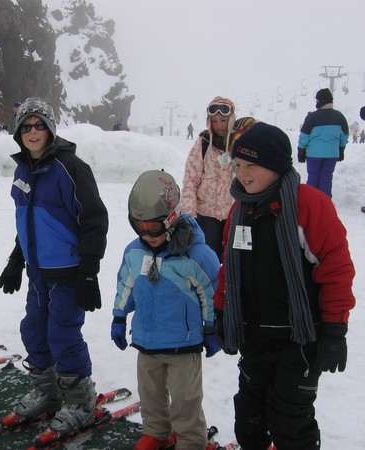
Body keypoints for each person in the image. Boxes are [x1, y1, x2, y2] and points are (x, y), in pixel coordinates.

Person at [215, 122, 356, 450]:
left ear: (277, 165)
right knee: (249, 420)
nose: (243, 174)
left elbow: (336, 269)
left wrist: (335, 329)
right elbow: (228, 268)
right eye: (238, 165)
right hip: (255, 336)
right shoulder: (240, 210)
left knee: (289, 421)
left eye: (252, 165)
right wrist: (222, 310)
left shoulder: (309, 205)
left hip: (300, 339)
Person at [0, 97, 109, 443]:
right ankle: (48, 393)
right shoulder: (23, 170)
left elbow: (94, 221)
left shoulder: (70, 168)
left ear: (50, 129)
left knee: (63, 334)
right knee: (34, 329)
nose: (33, 132)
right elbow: (28, 221)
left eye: (39, 125)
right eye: (26, 126)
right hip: (38, 272)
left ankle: (80, 401)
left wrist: (89, 273)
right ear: (18, 132)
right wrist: (17, 261)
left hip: (69, 271)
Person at [111, 170, 221, 450]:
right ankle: (157, 432)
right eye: (140, 228)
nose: (147, 236)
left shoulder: (197, 256)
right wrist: (119, 317)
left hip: (184, 345)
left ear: (171, 218)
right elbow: (126, 285)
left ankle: (191, 440)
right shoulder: (134, 252)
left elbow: (211, 294)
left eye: (153, 229)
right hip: (146, 341)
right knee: (150, 394)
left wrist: (212, 328)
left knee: (186, 400)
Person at [180, 96, 237, 260]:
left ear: (231, 119)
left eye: (223, 120)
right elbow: (190, 180)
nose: (219, 125)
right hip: (206, 214)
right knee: (207, 258)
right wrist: (189, 215)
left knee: (232, 259)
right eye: (215, 120)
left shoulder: (240, 143)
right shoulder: (203, 143)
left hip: (233, 212)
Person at [297, 88, 349, 197]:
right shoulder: (339, 116)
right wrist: (341, 148)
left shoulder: (312, 117)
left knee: (313, 176)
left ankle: (311, 200)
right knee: (326, 176)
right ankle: (325, 201)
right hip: (332, 154)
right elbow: (344, 135)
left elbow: (304, 136)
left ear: (320, 101)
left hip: (313, 154)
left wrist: (301, 150)